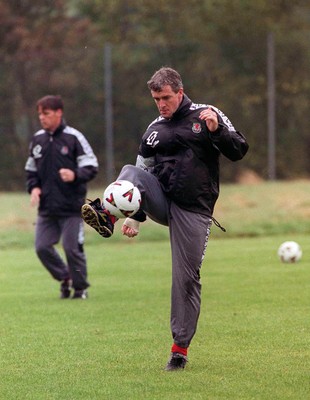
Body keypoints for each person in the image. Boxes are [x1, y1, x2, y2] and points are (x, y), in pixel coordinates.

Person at [81, 67, 249, 369]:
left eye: (166, 97)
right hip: (161, 199)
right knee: (129, 171)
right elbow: (139, 176)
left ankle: (179, 350)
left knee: (186, 280)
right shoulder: (154, 128)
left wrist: (217, 131)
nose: (161, 104)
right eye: (156, 99)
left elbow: (239, 149)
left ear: (180, 92)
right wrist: (134, 215)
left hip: (194, 210)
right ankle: (107, 215)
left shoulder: (207, 114)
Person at [25, 95, 98, 299]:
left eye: (46, 114)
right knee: (41, 247)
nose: (42, 118)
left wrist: (75, 175)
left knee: (71, 248)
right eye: (39, 114)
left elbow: (91, 166)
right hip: (47, 208)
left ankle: (80, 287)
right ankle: (66, 277)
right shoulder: (37, 139)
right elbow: (31, 171)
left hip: (71, 207)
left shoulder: (74, 137)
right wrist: (34, 188)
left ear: (58, 113)